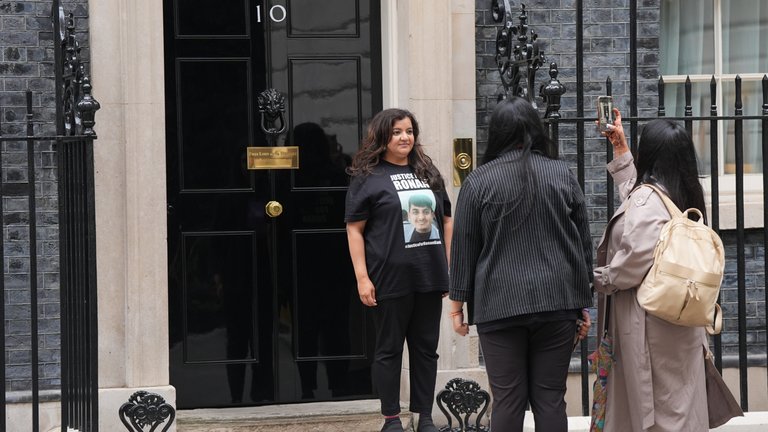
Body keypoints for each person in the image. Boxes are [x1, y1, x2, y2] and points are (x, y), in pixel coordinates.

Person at [449, 96, 593, 432]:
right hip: (558, 302)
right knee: (550, 399)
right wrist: (583, 304)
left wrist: (457, 309)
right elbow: (583, 243)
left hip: (498, 305)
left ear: (496, 132)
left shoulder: (477, 182)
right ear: (535, 129)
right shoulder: (562, 174)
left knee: (508, 401)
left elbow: (464, 249)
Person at [593, 110, 709, 431]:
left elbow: (633, 259)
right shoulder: (682, 194)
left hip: (650, 328)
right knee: (680, 408)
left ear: (651, 154)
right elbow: (643, 205)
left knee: (657, 415)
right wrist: (622, 152)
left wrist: (599, 279)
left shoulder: (648, 199)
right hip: (681, 322)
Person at [345, 108, 452, 432]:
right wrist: (363, 278)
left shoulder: (427, 171)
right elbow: (354, 230)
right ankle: (391, 418)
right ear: (382, 137)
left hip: (429, 276)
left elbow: (446, 219)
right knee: (389, 350)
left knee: (425, 350)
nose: (404, 137)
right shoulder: (369, 177)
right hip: (389, 277)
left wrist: (448, 266)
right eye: (396, 132)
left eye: (408, 131)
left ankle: (425, 417)